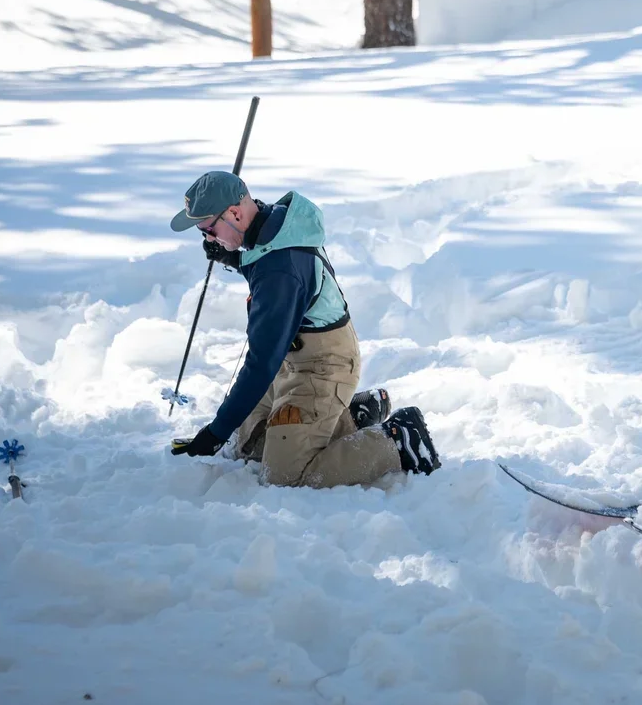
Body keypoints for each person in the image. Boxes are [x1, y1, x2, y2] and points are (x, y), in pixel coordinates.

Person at [168, 170, 441, 485]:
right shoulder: (273, 226)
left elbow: (261, 364)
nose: (206, 238)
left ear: (234, 213)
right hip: (293, 360)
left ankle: (399, 440)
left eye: (208, 229)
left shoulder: (280, 269)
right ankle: (348, 418)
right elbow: (268, 267)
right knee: (248, 445)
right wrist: (236, 258)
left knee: (285, 475)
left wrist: (215, 432)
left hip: (323, 366)